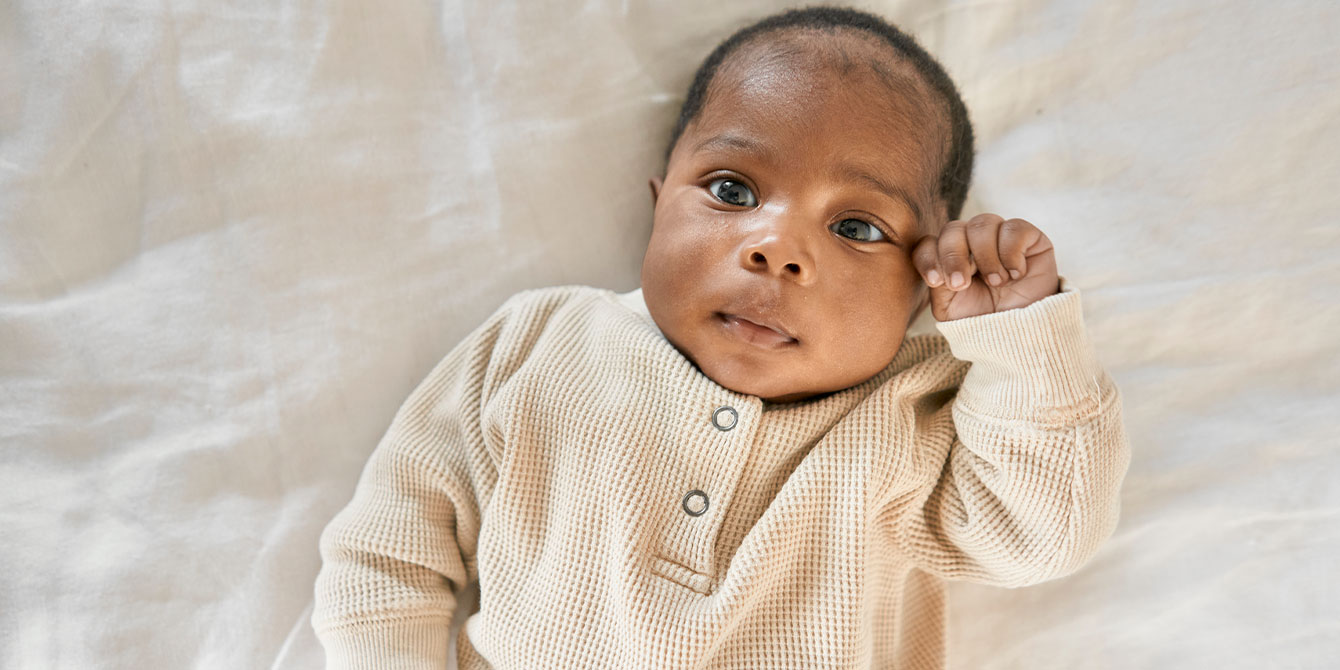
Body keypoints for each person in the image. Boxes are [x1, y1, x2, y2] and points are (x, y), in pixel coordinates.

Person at [311, 6, 1130, 669]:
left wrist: (1020, 342)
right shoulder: (543, 343)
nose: (777, 248)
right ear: (658, 202)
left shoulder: (918, 418)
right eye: (733, 188)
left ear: (922, 283)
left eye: (855, 226)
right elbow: (389, 553)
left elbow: (1043, 536)